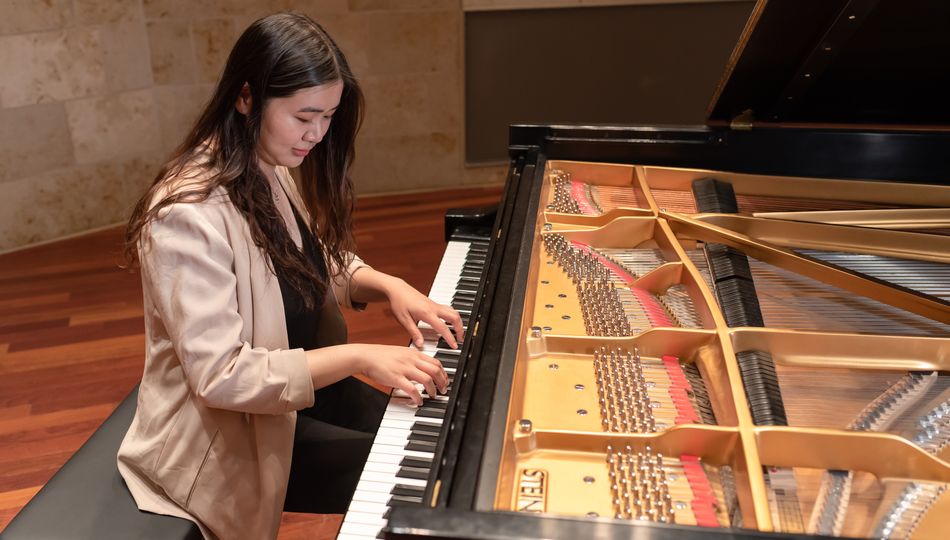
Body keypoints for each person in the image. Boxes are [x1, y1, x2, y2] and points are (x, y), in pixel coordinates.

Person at [117, 12, 462, 540]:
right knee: (416, 478)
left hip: (300, 389)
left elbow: (305, 259)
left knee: (443, 434)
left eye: (327, 116)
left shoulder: (265, 161)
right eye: (304, 116)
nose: (318, 134)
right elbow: (222, 377)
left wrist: (386, 284)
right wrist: (362, 354)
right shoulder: (185, 212)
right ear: (246, 98)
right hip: (229, 433)